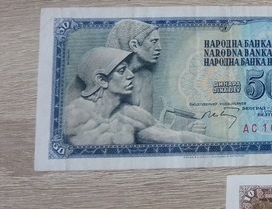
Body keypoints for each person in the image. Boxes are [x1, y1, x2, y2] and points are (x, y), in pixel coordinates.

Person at [63, 47, 206, 146]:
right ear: (101, 80)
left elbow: (171, 135)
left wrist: (190, 133)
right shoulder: (72, 117)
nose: (131, 75)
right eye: (121, 70)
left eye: (128, 69)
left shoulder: (132, 115)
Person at [105, 19, 160, 112]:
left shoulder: (145, 76)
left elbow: (147, 118)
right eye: (153, 42)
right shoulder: (106, 76)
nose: (159, 48)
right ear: (134, 45)